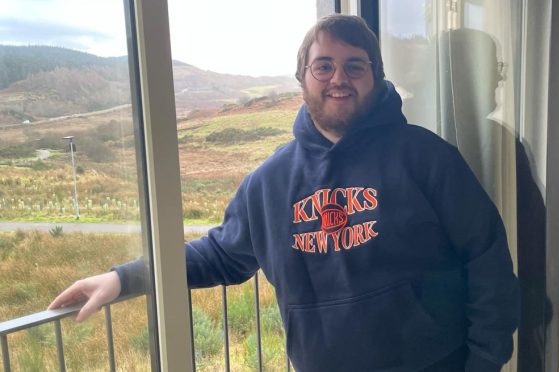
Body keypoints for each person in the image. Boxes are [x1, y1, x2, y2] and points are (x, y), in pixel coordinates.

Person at [49, 14, 519, 372]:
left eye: (355, 66)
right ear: (302, 79)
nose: (339, 77)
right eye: (324, 66)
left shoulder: (427, 158)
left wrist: (483, 364)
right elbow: (218, 254)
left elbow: (488, 262)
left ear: (375, 77)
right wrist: (124, 279)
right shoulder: (269, 182)